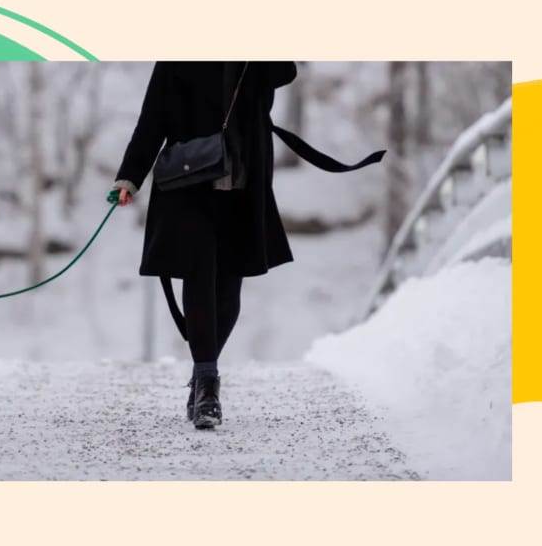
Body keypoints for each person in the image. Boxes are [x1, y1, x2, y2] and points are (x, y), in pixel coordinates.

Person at [112, 61, 382, 430]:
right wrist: (130, 176)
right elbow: (152, 119)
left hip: (243, 183)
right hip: (190, 186)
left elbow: (284, 72)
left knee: (229, 287)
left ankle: (202, 373)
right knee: (199, 275)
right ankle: (208, 383)